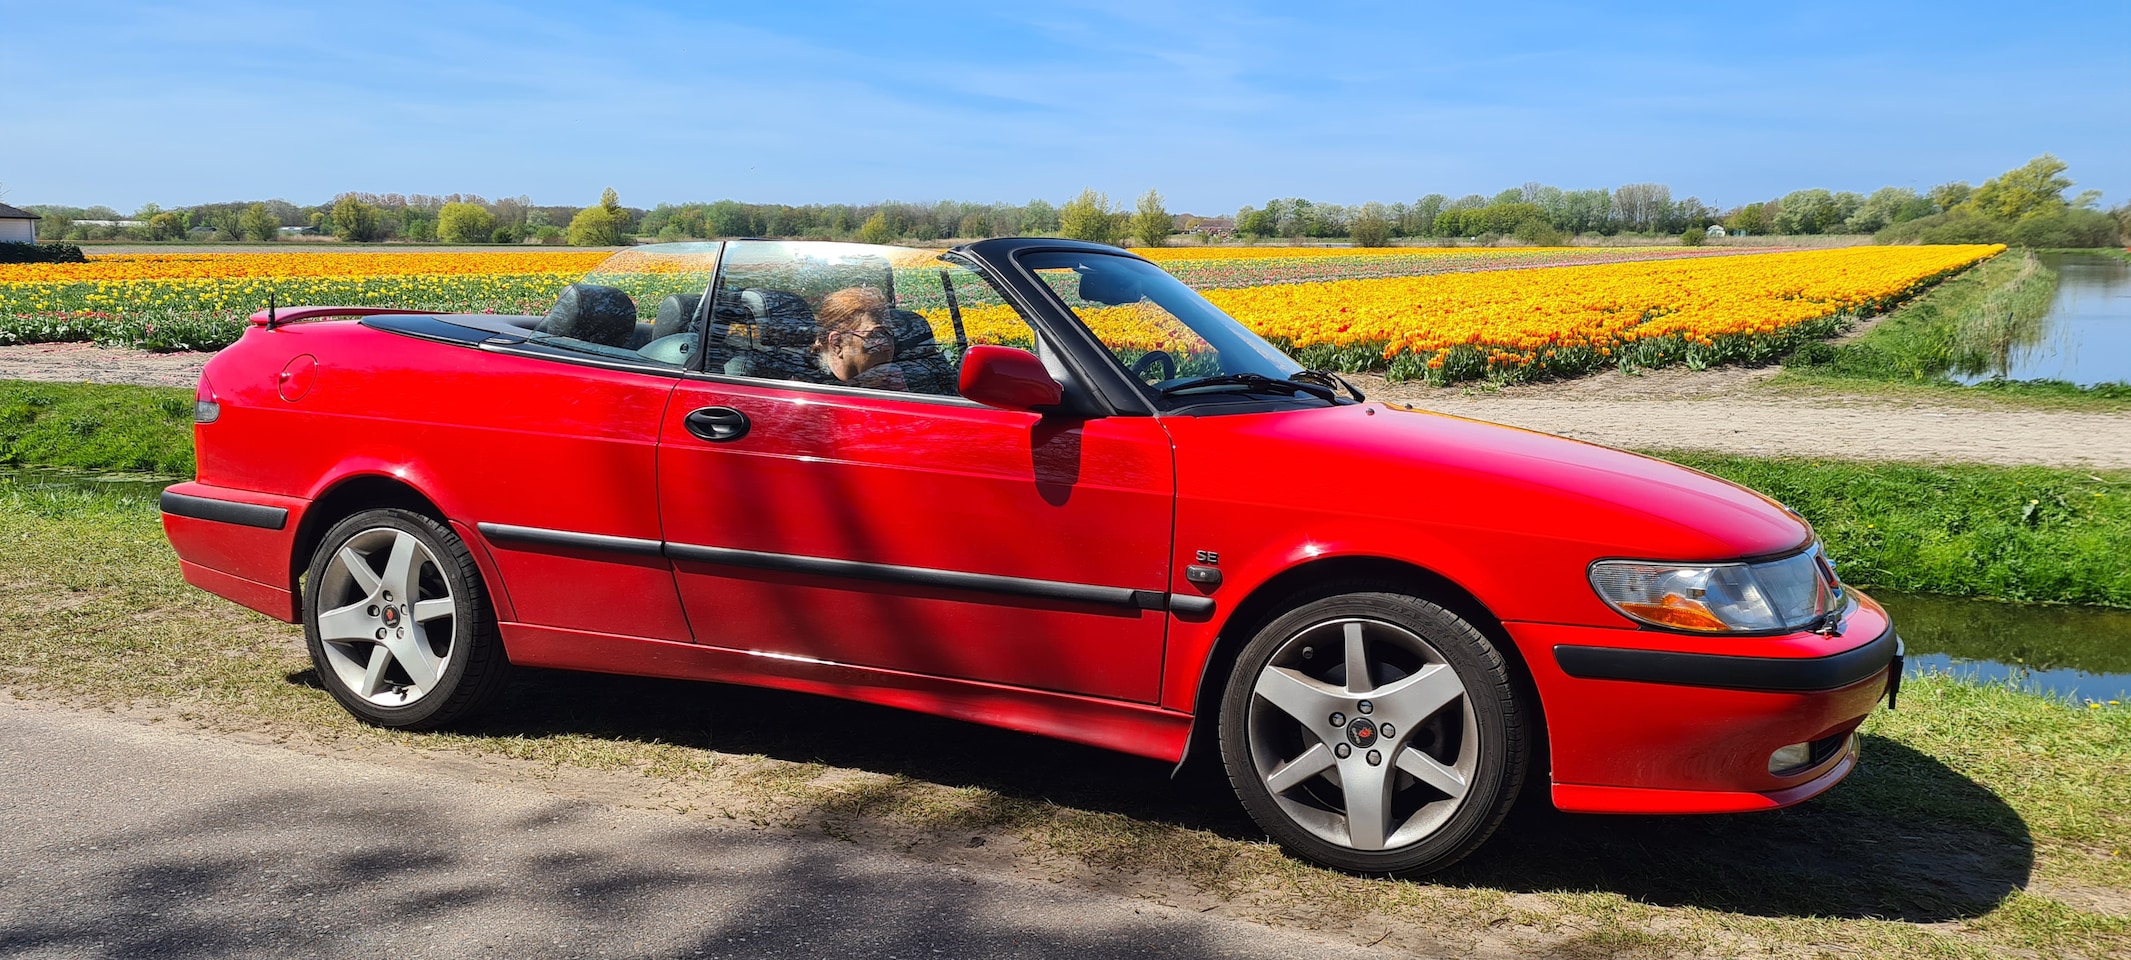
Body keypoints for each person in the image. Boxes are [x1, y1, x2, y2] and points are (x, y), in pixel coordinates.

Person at [813, 287, 910, 391]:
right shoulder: (807, 384)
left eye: (889, 333)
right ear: (837, 343)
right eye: (876, 335)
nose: (888, 346)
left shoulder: (892, 377)